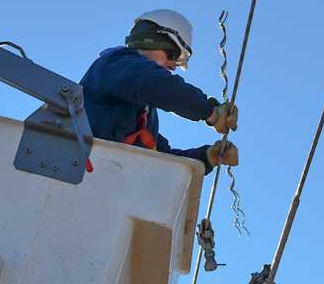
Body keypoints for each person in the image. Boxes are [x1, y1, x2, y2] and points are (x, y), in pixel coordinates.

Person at [79, 9, 239, 173]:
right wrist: (211, 112)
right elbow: (159, 85)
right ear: (153, 39)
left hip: (104, 184)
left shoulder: (145, 114)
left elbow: (162, 159)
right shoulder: (116, 63)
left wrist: (206, 157)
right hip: (76, 168)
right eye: (173, 55)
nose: (173, 66)